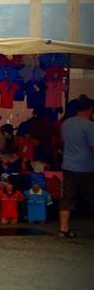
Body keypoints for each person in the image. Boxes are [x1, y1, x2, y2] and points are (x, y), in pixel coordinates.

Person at [58, 95, 94, 238]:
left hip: (68, 166)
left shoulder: (65, 123)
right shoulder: (90, 126)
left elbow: (63, 142)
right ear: (90, 109)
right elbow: (92, 147)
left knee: (67, 198)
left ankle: (64, 229)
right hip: (86, 167)